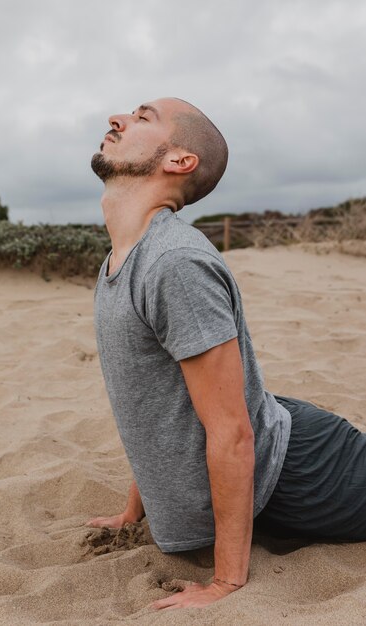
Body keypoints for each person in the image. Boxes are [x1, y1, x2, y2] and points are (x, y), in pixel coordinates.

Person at [86, 97, 366, 611]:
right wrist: (133, 512)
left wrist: (226, 583)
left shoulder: (175, 264)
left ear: (179, 160)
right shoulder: (120, 259)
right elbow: (150, 403)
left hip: (302, 473)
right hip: (270, 446)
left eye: (143, 117)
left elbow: (233, 430)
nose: (117, 119)